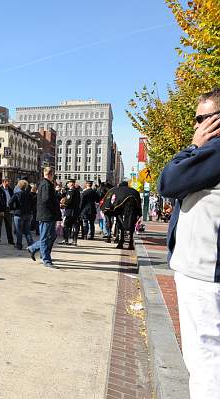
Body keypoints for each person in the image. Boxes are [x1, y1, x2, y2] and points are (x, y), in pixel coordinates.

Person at [158, 87, 220, 399]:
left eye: (200, 119)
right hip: (203, 268)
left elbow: (168, 180)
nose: (195, 126)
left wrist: (193, 147)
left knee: (205, 360)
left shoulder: (214, 150)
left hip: (205, 272)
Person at [27, 167, 61, 268]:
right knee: (45, 237)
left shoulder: (45, 183)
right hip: (46, 215)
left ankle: (33, 248)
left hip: (48, 215)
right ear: (51, 174)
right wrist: (54, 208)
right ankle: (46, 259)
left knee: (52, 236)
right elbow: (46, 199)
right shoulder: (46, 184)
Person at [9, 180, 33, 250]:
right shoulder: (29, 194)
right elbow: (33, 203)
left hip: (19, 213)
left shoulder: (17, 194)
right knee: (27, 230)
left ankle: (19, 245)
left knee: (19, 231)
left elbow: (10, 202)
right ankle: (31, 245)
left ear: (19, 186)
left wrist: (13, 208)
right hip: (28, 214)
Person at [0, 178, 14, 245]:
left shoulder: (10, 190)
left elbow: (12, 199)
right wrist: (0, 210)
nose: (9, 183)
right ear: (4, 182)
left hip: (8, 209)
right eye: (8, 182)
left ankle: (10, 240)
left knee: (9, 226)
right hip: (1, 210)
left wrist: (12, 208)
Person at [61, 180, 80, 246]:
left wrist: (63, 204)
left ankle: (66, 239)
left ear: (70, 184)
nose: (67, 185)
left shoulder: (70, 191)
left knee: (65, 225)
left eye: (68, 183)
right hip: (76, 211)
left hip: (69, 211)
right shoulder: (77, 191)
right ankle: (75, 240)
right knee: (75, 226)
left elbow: (69, 201)